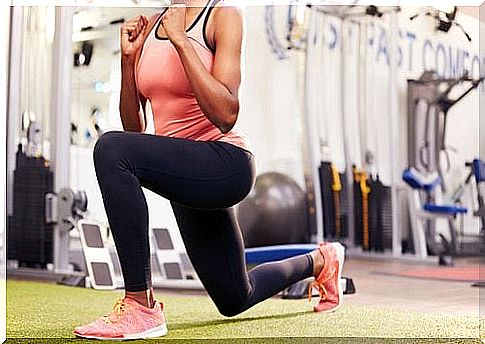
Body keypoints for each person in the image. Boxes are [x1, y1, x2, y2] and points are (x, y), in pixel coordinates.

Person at [73, 0, 345, 340]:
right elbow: (134, 132)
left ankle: (141, 306)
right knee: (234, 297)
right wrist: (129, 61)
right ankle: (322, 260)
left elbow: (226, 113)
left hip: (224, 164)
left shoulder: (222, 16)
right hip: (185, 171)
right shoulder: (155, 24)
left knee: (109, 147)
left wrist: (182, 42)